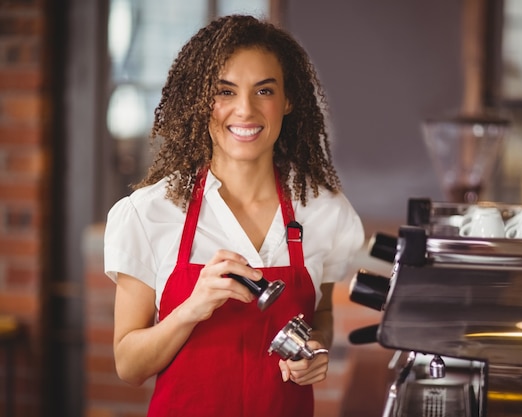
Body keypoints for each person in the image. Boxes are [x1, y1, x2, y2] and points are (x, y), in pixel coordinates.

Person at [103, 14, 364, 417]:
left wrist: (314, 348)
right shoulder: (149, 213)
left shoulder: (323, 211)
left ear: (288, 99)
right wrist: (192, 309)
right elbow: (129, 366)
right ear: (200, 100)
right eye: (225, 91)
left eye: (264, 90)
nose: (245, 110)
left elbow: (321, 312)